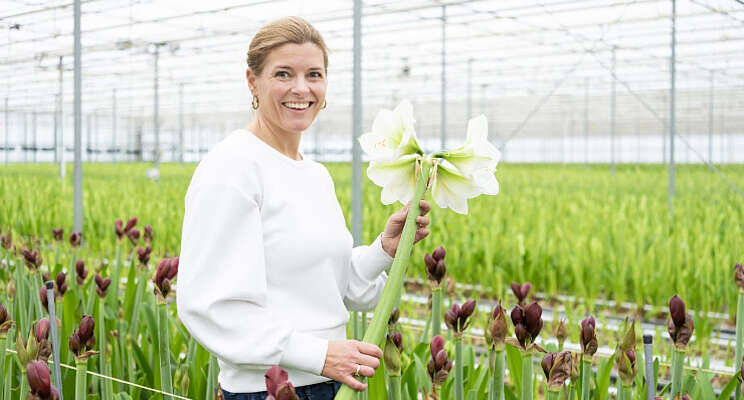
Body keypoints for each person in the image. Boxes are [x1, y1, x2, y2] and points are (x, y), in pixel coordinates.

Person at [176, 16, 431, 400]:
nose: (301, 88)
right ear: (252, 82)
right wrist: (320, 354)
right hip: (269, 391)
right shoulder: (233, 166)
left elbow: (336, 288)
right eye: (283, 74)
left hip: (331, 382)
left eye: (314, 74)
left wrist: (384, 249)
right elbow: (209, 306)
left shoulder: (314, 174)